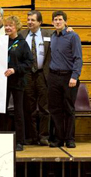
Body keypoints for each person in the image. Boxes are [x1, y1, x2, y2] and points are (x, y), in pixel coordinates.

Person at [48, 11, 82, 148]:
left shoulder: (73, 36)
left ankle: (70, 139)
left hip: (69, 77)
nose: (57, 22)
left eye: (60, 19)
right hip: (53, 77)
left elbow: (78, 58)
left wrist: (75, 76)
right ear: (52, 22)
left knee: (68, 109)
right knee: (55, 109)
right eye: (55, 20)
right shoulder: (52, 36)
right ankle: (58, 138)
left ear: (65, 22)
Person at [19, 11, 52, 146]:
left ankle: (44, 136)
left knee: (44, 107)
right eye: (28, 20)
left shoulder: (49, 34)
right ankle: (32, 136)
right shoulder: (22, 35)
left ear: (40, 22)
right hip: (27, 74)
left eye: (33, 20)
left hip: (42, 74)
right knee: (29, 107)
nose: (30, 22)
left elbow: (64, 34)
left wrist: (69, 29)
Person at [4, 16, 33, 151]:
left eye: (11, 25)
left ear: (17, 27)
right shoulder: (1, 41)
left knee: (18, 111)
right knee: (2, 111)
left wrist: (15, 69)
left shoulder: (22, 43)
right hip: (2, 82)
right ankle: (3, 137)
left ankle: (19, 141)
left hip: (17, 81)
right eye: (7, 25)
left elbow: (29, 63)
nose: (8, 28)